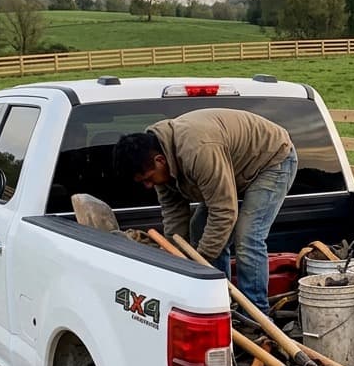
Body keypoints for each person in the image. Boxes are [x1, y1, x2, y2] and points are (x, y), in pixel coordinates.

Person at [114, 108, 298, 310]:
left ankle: (255, 313)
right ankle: (220, 304)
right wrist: (175, 259)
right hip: (233, 167)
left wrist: (199, 264)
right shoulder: (158, 160)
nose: (148, 186)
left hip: (271, 159)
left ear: (160, 160)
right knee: (200, 229)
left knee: (248, 237)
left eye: (148, 179)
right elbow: (174, 215)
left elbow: (224, 212)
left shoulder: (198, 151)